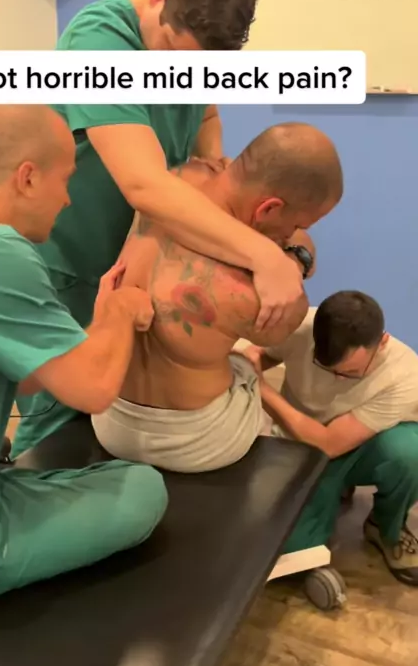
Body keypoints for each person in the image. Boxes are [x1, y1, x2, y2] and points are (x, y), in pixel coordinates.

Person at [12, 0, 308, 457]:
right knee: (60, 416)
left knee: (113, 405)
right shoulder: (98, 44)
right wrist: (266, 258)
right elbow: (144, 184)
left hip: (139, 247)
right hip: (74, 261)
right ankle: (24, 497)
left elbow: (206, 116)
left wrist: (210, 168)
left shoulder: (192, 32)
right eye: (172, 54)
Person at [0, 104, 167, 621]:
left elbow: (24, 374)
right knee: (141, 489)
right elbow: (94, 389)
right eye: (65, 180)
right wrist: (122, 310)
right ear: (27, 177)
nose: (67, 199)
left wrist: (100, 325)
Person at [90, 122, 343, 473]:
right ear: (268, 208)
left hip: (110, 419)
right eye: (298, 224)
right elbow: (280, 327)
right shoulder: (248, 293)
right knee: (245, 366)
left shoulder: (173, 180)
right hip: (194, 442)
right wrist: (294, 258)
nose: (292, 232)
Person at [239, 291, 418, 586]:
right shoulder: (301, 326)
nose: (337, 379)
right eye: (326, 368)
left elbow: (329, 444)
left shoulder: (405, 376)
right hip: (299, 444)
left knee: (409, 453)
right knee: (290, 551)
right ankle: (331, 493)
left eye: (351, 373)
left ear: (382, 343)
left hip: (356, 445)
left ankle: (386, 526)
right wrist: (249, 360)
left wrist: (262, 390)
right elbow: (262, 353)